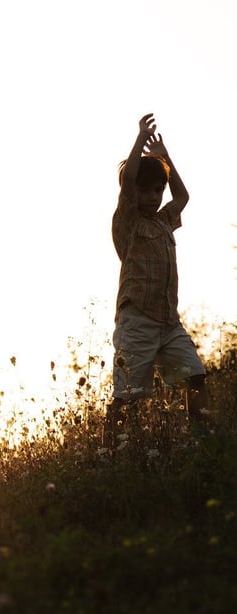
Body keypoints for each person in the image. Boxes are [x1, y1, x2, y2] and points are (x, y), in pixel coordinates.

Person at [103, 113, 207, 450]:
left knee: (195, 375)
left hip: (168, 323)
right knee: (128, 396)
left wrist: (165, 158)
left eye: (157, 190)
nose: (153, 196)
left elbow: (183, 196)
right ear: (134, 193)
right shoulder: (129, 221)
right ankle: (108, 455)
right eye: (145, 190)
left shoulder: (164, 221)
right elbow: (129, 178)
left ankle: (203, 442)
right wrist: (139, 140)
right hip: (137, 323)